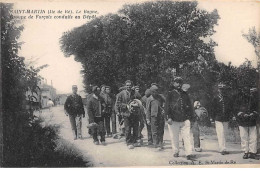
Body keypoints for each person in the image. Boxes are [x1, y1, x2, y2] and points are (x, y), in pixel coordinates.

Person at [165, 77, 195, 160]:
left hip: (184, 119)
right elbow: (167, 107)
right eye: (177, 82)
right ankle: (176, 151)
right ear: (174, 83)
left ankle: (188, 153)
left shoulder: (185, 94)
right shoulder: (170, 94)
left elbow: (190, 107)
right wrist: (169, 117)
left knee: (187, 136)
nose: (179, 84)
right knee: (174, 136)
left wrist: (191, 118)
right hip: (174, 119)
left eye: (180, 82)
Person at [234, 87, 259, 159]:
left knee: (253, 137)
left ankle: (252, 152)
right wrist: (242, 114)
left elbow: (257, 109)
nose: (248, 93)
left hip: (252, 120)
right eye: (245, 91)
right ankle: (245, 152)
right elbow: (235, 109)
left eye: (250, 92)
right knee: (244, 136)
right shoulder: (239, 99)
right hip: (242, 120)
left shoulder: (255, 100)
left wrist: (253, 114)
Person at [115, 80, 139, 149]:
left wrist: (135, 102)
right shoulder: (121, 93)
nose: (128, 87)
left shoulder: (134, 92)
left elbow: (139, 98)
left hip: (134, 113)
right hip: (126, 113)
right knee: (127, 128)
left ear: (132, 86)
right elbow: (118, 103)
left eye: (130, 85)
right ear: (125, 86)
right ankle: (128, 142)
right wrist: (126, 106)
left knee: (135, 128)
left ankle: (134, 141)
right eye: (127, 85)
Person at [211, 83, 234, 155]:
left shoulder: (228, 98)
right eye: (220, 89)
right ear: (218, 90)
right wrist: (212, 118)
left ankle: (224, 147)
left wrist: (231, 116)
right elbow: (212, 109)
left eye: (223, 89)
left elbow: (230, 108)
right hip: (218, 118)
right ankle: (222, 149)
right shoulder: (215, 98)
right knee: (220, 133)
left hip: (226, 118)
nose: (222, 91)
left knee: (225, 133)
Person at [146, 85, 165, 151]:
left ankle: (160, 143)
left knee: (161, 130)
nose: (155, 93)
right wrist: (148, 119)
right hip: (153, 117)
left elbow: (166, 103)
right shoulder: (149, 99)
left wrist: (164, 109)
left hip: (160, 116)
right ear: (151, 92)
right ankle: (155, 144)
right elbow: (147, 110)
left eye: (156, 91)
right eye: (153, 92)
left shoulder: (160, 97)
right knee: (154, 131)